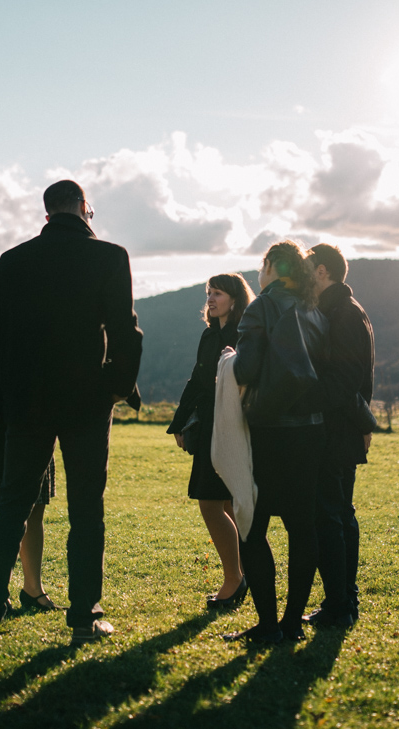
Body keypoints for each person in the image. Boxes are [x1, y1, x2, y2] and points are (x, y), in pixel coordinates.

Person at [0, 179, 142, 645]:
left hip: (26, 401)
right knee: (87, 508)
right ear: (85, 209)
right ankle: (84, 616)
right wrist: (116, 388)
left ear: (47, 215)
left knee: (12, 505)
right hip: (87, 401)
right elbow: (126, 331)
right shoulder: (110, 257)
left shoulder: (14, 260)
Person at [225, 240, 328, 644]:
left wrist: (229, 361)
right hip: (312, 429)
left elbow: (247, 366)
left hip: (270, 430)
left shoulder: (262, 306)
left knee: (253, 526)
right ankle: (292, 622)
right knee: (303, 526)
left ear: (269, 265)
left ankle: (267, 624)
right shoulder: (313, 310)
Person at [0, 311, 62, 614]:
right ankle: (10, 590)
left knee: (29, 510)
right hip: (16, 429)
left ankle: (30, 589)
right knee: (17, 511)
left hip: (8, 428)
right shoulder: (8, 325)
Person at [166, 274, 255, 610]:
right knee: (226, 503)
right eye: (208, 293)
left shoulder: (244, 334)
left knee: (211, 503)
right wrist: (178, 421)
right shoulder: (209, 335)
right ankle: (242, 575)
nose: (211, 299)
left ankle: (234, 579)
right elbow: (197, 380)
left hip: (232, 428)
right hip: (207, 427)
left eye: (218, 293)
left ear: (235, 298)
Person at [303, 244, 375, 628]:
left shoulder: (343, 315)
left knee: (329, 517)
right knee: (339, 516)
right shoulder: (341, 310)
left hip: (335, 431)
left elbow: (345, 382)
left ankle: (340, 605)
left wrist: (301, 399)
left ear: (321, 272)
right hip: (342, 429)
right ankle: (344, 601)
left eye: (306, 268)